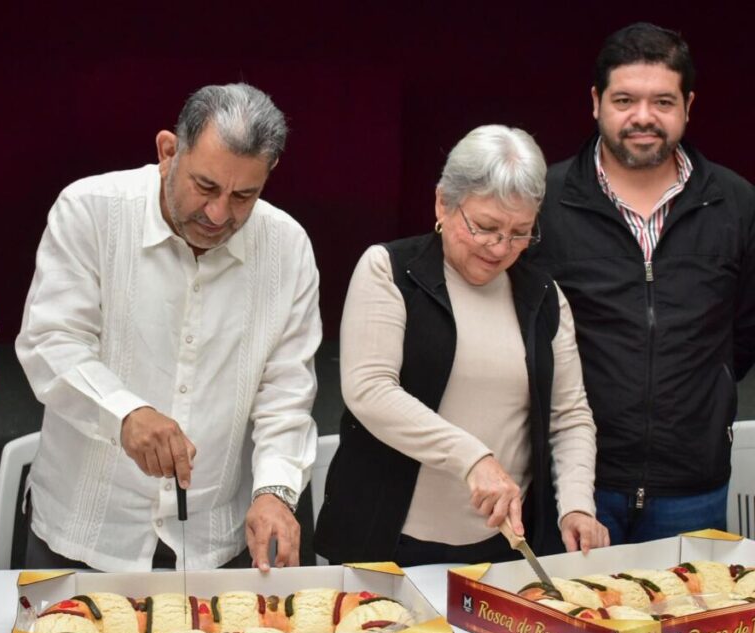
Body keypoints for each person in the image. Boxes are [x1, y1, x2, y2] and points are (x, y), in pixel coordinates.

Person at [16, 83, 321, 572]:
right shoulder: (90, 209)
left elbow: (286, 391)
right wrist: (126, 413)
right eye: (205, 187)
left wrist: (275, 493)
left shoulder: (287, 246)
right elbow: (51, 342)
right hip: (86, 535)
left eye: (244, 195)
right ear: (167, 151)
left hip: (216, 544)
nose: (220, 213)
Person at [315, 125, 609, 566]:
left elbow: (569, 417)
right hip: (387, 542)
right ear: (443, 203)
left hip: (505, 547)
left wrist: (577, 504)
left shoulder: (543, 296)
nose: (500, 247)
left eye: (519, 233)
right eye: (486, 226)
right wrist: (473, 459)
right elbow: (370, 390)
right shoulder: (390, 270)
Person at [532, 23, 755, 544]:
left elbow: (743, 331)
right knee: (574, 623)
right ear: (596, 102)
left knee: (686, 620)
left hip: (692, 483)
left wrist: (709, 388)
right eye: (625, 99)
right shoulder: (545, 201)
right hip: (576, 485)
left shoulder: (736, 203)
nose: (643, 117)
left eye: (662, 101)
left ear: (687, 105)